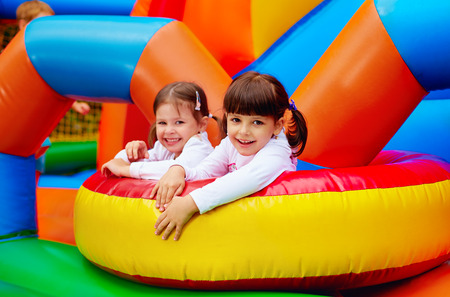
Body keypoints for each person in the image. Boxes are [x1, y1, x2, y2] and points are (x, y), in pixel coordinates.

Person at [152, 71, 308, 240]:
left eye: (257, 122)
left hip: (273, 232)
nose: (243, 131)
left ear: (277, 126)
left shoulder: (277, 153)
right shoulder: (231, 144)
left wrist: (191, 203)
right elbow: (205, 172)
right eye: (236, 120)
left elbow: (247, 179)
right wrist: (179, 170)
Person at [101, 81, 218, 182]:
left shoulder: (200, 148)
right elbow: (118, 163)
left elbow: (175, 169)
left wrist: (126, 169)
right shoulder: (164, 148)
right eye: (162, 123)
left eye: (179, 122)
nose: (169, 130)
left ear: (202, 125)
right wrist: (131, 155)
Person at [15, 0, 91, 115]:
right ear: (22, 25)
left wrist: (75, 105)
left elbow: (56, 83)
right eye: (41, 24)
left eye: (49, 24)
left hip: (36, 116)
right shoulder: (14, 53)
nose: (47, 30)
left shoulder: (46, 54)